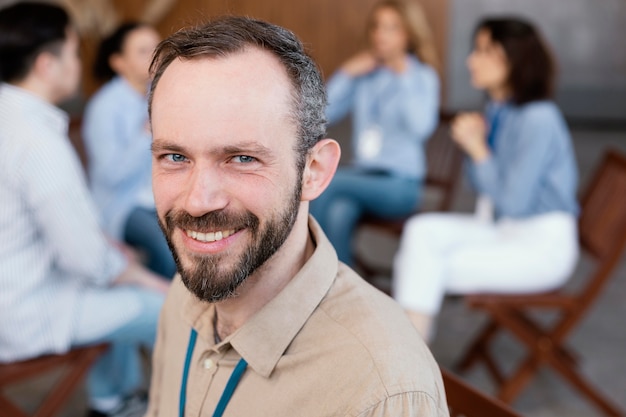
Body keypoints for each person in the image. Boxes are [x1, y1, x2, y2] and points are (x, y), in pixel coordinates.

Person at [145, 16, 448, 416]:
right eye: (175, 157)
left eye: (241, 158)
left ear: (314, 171)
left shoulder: (385, 388)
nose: (198, 201)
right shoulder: (184, 293)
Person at [0, 3, 170, 416]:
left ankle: (111, 400)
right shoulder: (38, 141)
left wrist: (110, 254)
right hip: (29, 310)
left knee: (122, 280)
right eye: (74, 53)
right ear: (47, 64)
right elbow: (85, 260)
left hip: (17, 290)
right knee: (172, 311)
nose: (78, 65)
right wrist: (149, 282)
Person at [392, 17, 579, 341]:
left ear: (514, 58)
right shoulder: (499, 109)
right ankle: (407, 354)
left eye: (483, 51)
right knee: (418, 233)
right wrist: (477, 148)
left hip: (540, 246)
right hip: (502, 229)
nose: (471, 60)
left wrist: (478, 149)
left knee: (425, 266)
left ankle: (405, 360)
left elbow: (513, 203)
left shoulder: (538, 119)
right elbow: (482, 186)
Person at [310, 0, 440, 265]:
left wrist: (403, 76)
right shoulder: (366, 75)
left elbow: (421, 126)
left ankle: (309, 273)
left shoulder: (422, 77)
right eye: (377, 27)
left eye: (392, 28)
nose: (381, 35)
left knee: (327, 181)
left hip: (400, 185)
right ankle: (338, 288)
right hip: (363, 176)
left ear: (408, 34)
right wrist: (346, 73)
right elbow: (320, 115)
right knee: (339, 212)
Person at [82, 22, 176, 278]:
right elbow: (110, 174)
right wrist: (146, 132)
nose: (156, 55)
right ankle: (164, 311)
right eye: (144, 50)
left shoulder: (157, 94)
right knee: (169, 248)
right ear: (118, 62)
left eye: (157, 47)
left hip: (157, 195)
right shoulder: (104, 107)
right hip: (122, 205)